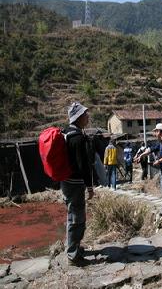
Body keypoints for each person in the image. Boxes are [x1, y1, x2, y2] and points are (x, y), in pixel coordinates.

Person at [62, 102, 95, 266]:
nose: (87, 117)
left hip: (67, 181)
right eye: (85, 114)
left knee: (72, 216)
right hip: (75, 183)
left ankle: (74, 247)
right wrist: (90, 186)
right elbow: (84, 165)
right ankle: (73, 256)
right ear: (78, 117)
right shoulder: (77, 138)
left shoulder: (66, 133)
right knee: (76, 218)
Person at [136, 123, 162, 220]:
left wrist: (158, 161)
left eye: (155, 131)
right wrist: (142, 155)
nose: (154, 133)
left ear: (160, 131)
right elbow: (151, 149)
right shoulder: (161, 142)